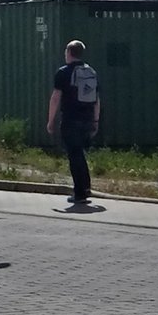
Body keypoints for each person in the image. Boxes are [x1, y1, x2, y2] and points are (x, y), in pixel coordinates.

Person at [46, 39, 100, 204]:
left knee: (74, 155)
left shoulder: (63, 72)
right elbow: (97, 99)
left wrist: (50, 121)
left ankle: (80, 193)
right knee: (80, 153)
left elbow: (56, 98)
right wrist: (96, 121)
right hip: (88, 120)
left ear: (69, 53)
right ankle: (86, 187)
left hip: (71, 119)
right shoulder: (91, 71)